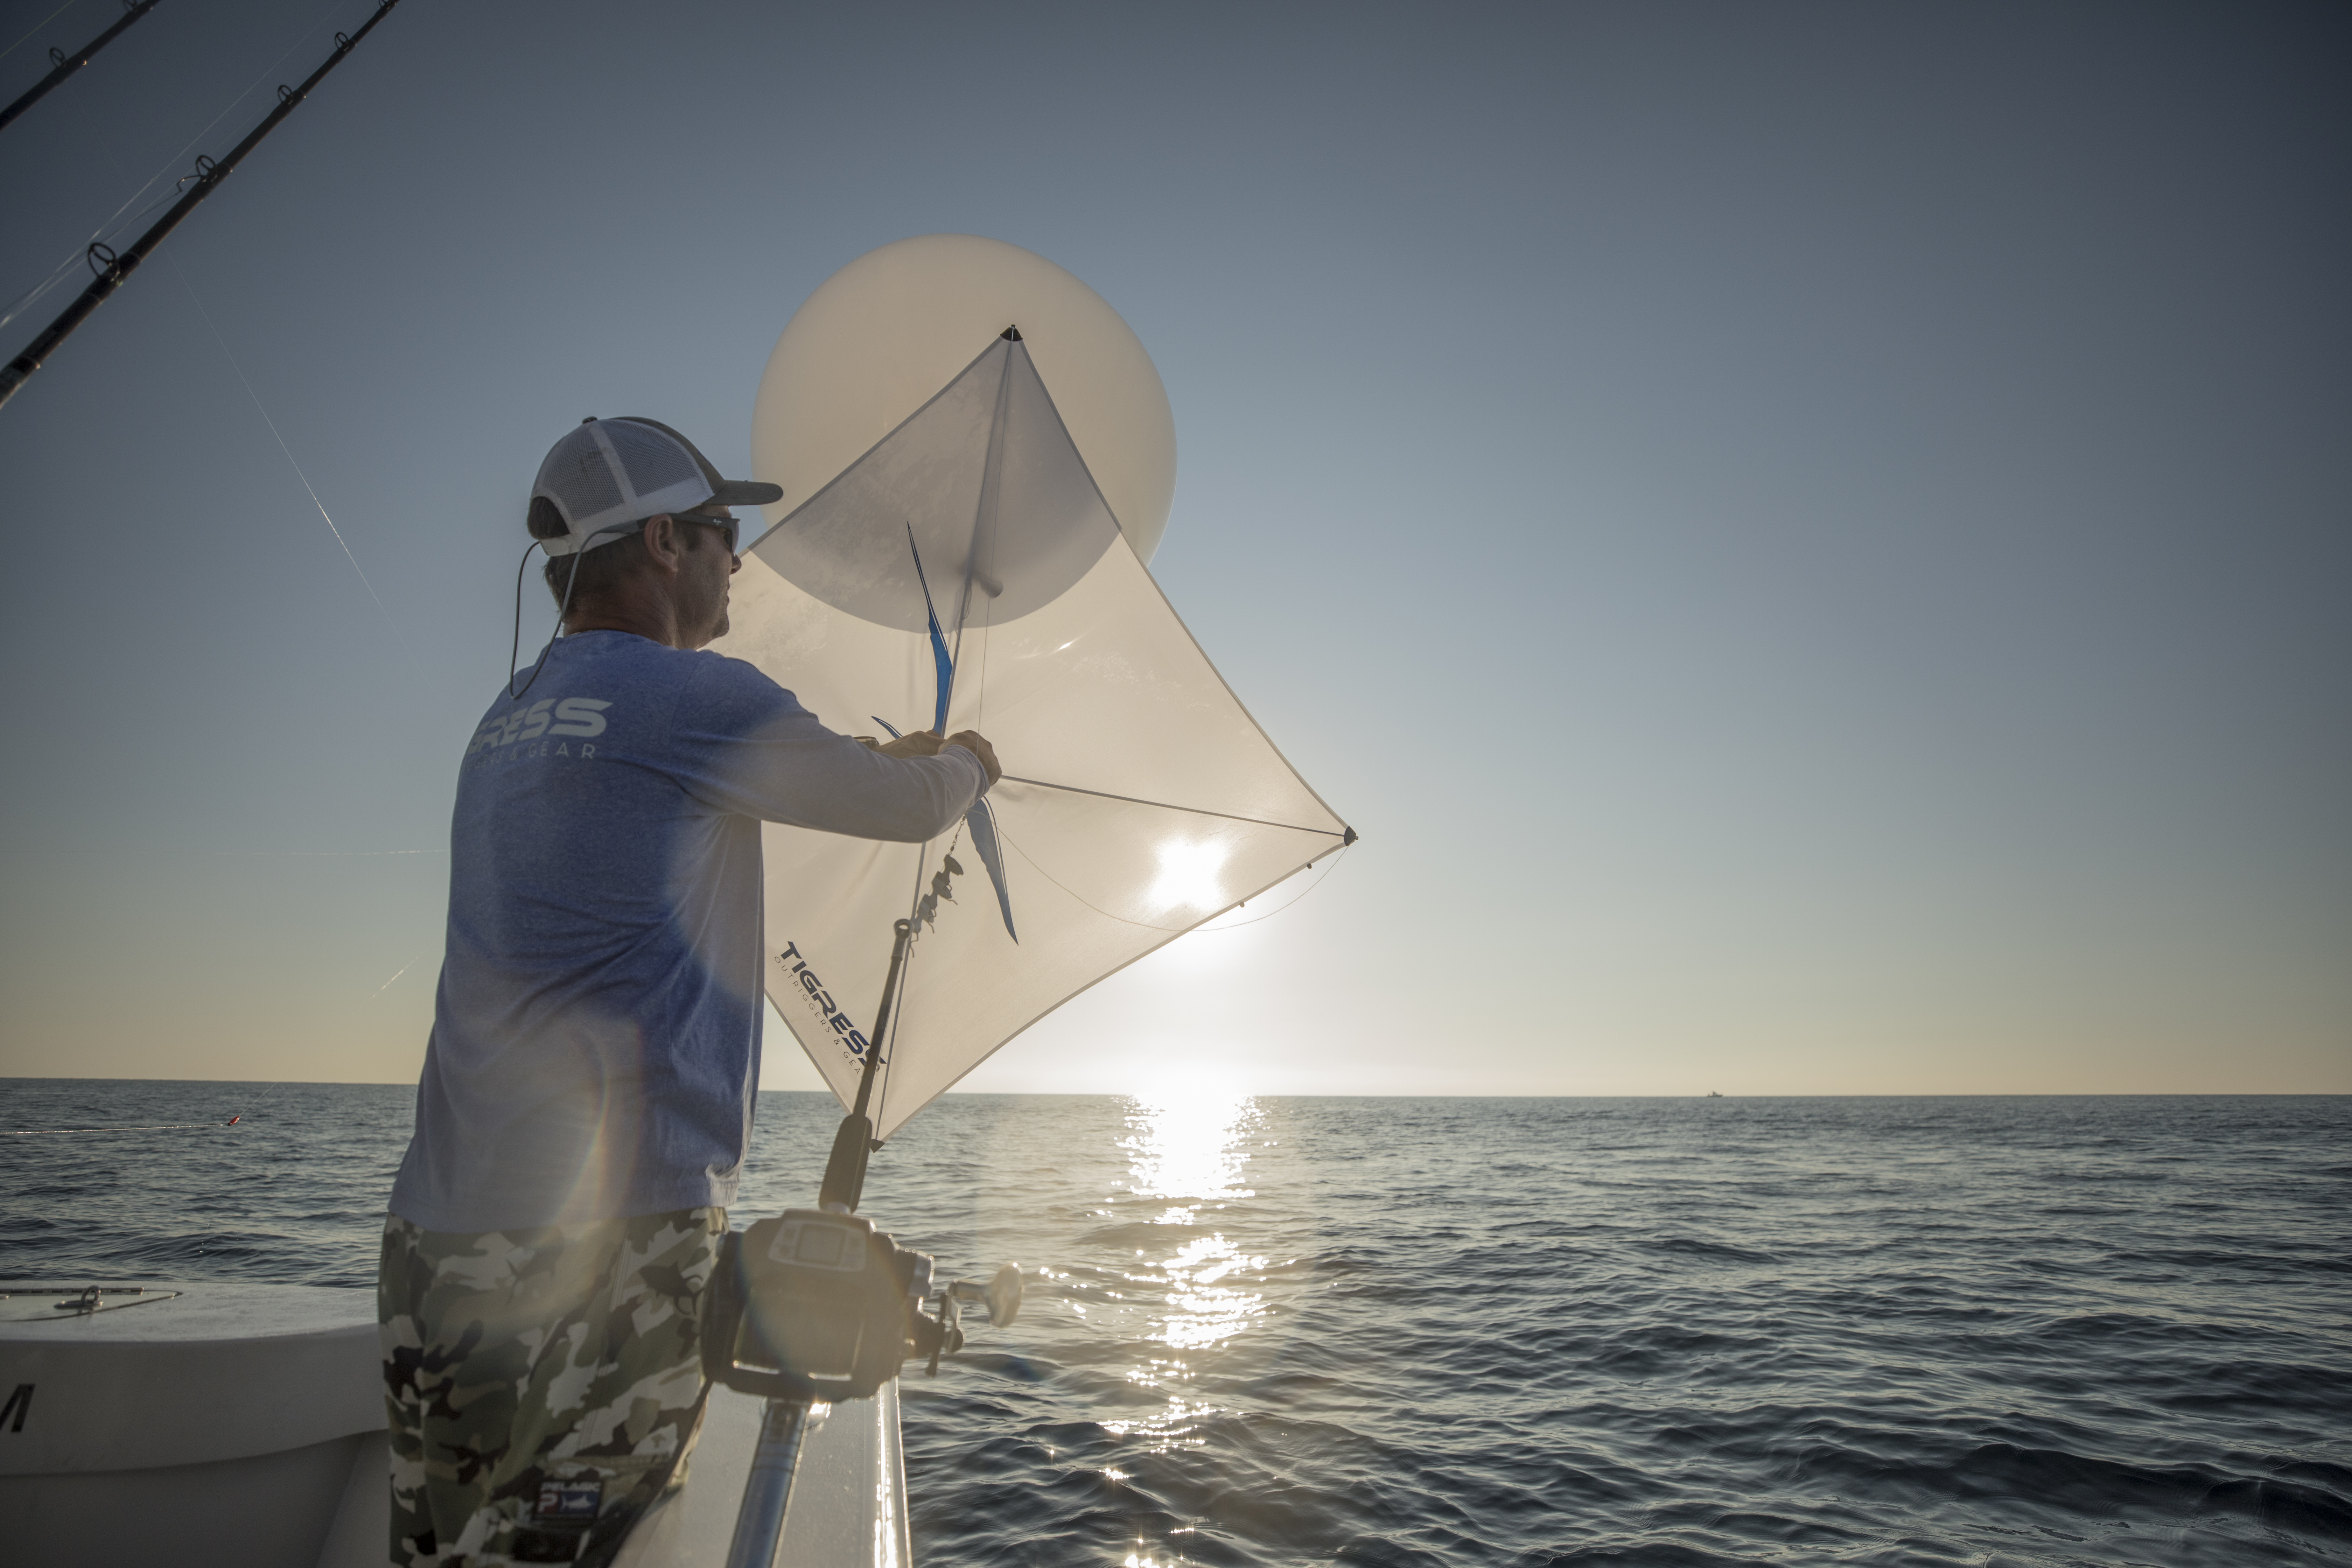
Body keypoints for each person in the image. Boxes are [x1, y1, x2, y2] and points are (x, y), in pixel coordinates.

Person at [378, 416, 999, 1567]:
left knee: (445, 1549)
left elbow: (654, 801)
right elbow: (910, 810)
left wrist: (882, 764)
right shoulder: (698, 698)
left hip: (435, 1235)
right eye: (723, 534)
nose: (737, 559)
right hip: (610, 1244)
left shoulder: (504, 724)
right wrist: (970, 762)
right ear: (663, 541)